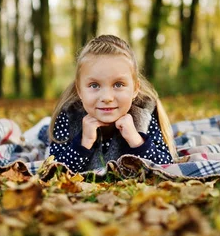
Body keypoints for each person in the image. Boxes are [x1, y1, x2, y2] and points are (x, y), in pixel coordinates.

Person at [48, 34, 176, 173]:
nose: (107, 98)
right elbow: (54, 171)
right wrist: (84, 143)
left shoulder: (143, 115)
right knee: (42, 132)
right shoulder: (69, 116)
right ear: (79, 90)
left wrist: (136, 140)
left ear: (134, 89)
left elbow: (166, 165)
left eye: (118, 84)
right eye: (94, 85)